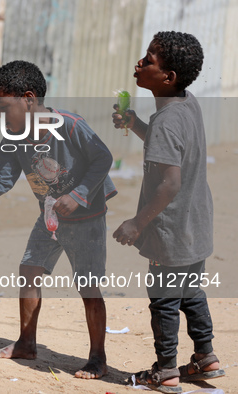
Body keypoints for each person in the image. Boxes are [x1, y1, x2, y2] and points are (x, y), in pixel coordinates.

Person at [0, 60, 117, 379]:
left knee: (88, 287)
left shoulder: (69, 124)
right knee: (29, 269)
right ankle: (26, 343)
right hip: (49, 216)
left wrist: (78, 195)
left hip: (87, 217)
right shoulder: (12, 133)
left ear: (28, 99)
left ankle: (97, 358)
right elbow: (3, 179)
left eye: (3, 107)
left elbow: (103, 157)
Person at [112, 31, 225, 393]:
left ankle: (166, 370)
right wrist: (134, 124)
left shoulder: (166, 121)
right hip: (196, 223)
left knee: (163, 299)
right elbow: (169, 147)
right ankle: (206, 358)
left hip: (170, 228)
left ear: (168, 77)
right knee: (191, 292)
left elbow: (169, 183)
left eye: (148, 60)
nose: (139, 64)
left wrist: (135, 223)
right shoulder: (186, 103)